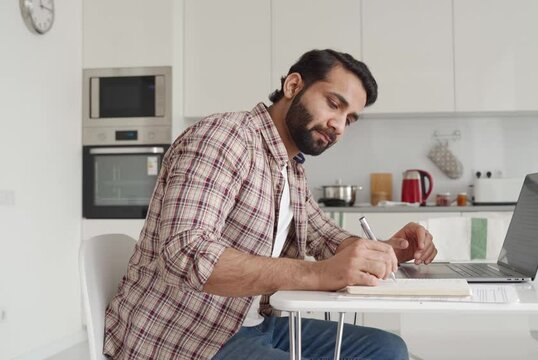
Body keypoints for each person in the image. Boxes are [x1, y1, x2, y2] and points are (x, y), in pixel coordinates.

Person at [103, 49, 437, 360]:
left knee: (388, 349)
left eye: (349, 119)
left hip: (254, 324)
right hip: (186, 335)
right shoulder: (224, 137)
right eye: (334, 103)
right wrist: (318, 274)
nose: (338, 125)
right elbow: (185, 253)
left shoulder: (290, 167)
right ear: (294, 85)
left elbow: (325, 238)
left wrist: (383, 251)